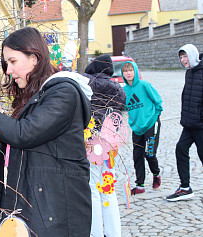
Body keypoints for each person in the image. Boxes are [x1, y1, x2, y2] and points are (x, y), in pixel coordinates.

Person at [0, 27, 93, 237]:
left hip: (55, 214)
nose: (8, 71)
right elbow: (31, 137)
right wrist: (0, 114)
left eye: (13, 62)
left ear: (34, 58)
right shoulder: (43, 94)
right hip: (37, 209)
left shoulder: (63, 93)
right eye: (6, 63)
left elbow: (23, 134)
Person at [83, 55, 125, 237]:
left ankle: (96, 232)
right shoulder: (117, 88)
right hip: (110, 143)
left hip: (91, 140)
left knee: (92, 186)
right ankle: (114, 232)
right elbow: (119, 114)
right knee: (108, 188)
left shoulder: (86, 84)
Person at [166, 44, 203, 201]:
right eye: (181, 57)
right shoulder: (189, 73)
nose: (183, 60)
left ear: (193, 55)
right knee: (181, 149)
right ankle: (185, 187)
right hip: (189, 124)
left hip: (200, 125)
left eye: (186, 56)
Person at [121, 61, 163, 195]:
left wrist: (155, 115)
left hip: (151, 124)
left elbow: (157, 101)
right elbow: (123, 107)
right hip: (137, 128)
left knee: (149, 153)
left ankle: (156, 174)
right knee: (137, 155)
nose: (128, 73)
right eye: (125, 71)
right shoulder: (124, 91)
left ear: (135, 71)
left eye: (130, 70)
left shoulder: (145, 85)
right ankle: (140, 185)